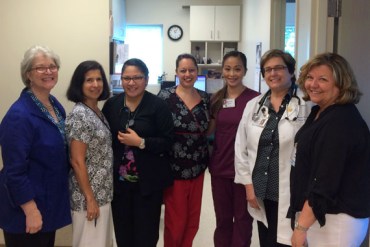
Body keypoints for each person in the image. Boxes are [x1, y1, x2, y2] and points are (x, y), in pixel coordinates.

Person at [288, 52, 370, 247]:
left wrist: (301, 228)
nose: (313, 84)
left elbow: (324, 181)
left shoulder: (340, 121)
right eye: (309, 77)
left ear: (341, 84)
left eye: (322, 79)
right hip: (321, 214)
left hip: (337, 219)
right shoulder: (320, 112)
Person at [234, 49, 311, 247]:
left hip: (292, 190)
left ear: (291, 71)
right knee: (267, 241)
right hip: (261, 190)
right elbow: (241, 148)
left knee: (290, 241)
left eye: (278, 68)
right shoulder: (254, 105)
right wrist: (249, 186)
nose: (272, 73)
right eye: (267, 69)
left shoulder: (306, 105)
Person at [0, 45, 71, 247]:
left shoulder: (54, 105)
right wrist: (30, 210)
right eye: (40, 68)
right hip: (26, 209)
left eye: (52, 66)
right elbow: (14, 171)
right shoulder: (19, 116)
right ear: (28, 74)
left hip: (47, 202)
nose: (48, 71)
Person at [102, 58, 174, 247]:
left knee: (146, 236)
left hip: (148, 184)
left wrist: (141, 142)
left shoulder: (158, 106)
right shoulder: (112, 105)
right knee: (123, 235)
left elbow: (168, 142)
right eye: (126, 78)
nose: (131, 83)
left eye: (137, 77)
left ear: (146, 79)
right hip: (119, 185)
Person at [157, 53, 210, 247]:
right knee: (175, 220)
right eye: (183, 70)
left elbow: (209, 128)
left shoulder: (205, 98)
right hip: (174, 167)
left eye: (191, 70)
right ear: (176, 72)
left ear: (197, 72)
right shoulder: (164, 97)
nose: (187, 74)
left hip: (198, 166)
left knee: (193, 219)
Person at [208, 51, 259, 247]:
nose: (232, 73)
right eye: (228, 69)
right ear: (222, 71)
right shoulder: (216, 99)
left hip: (245, 171)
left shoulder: (255, 99)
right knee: (222, 220)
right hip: (220, 168)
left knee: (243, 220)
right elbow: (209, 131)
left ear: (245, 71)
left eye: (237, 69)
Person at [65, 60, 113, 247]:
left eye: (99, 79)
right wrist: (90, 199)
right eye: (89, 80)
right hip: (88, 198)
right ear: (80, 84)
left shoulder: (96, 111)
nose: (95, 85)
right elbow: (76, 161)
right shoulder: (80, 115)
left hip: (103, 194)